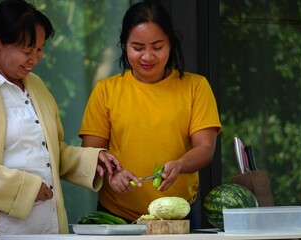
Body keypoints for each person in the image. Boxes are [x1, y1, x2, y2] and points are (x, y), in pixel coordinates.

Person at [0, 0, 121, 239]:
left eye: (40, 49)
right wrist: (24, 188)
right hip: (0, 226)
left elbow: (52, 151)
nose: (35, 59)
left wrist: (92, 159)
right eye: (27, 51)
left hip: (47, 222)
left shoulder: (37, 86)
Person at [79, 0, 222, 230]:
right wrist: (111, 176)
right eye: (138, 47)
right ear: (124, 44)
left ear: (171, 44)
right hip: (116, 215)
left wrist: (180, 164)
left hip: (177, 216)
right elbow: (91, 152)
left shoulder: (196, 87)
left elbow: (205, 149)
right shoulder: (106, 90)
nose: (147, 57)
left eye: (157, 47)